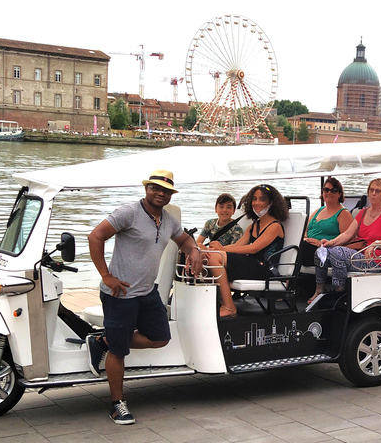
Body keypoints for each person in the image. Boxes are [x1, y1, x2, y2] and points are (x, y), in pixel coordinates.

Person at [86, 170, 204, 425]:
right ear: (147, 189)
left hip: (147, 292)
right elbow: (95, 236)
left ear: (171, 194)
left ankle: (104, 340)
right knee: (120, 351)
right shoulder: (128, 213)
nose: (160, 193)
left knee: (160, 338)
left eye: (166, 190)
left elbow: (183, 239)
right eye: (155, 188)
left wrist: (194, 249)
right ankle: (117, 404)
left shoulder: (169, 220)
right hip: (120, 294)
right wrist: (106, 276)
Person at [202, 184, 289, 318]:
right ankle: (214, 302)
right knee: (208, 256)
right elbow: (238, 245)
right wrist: (213, 249)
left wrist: (222, 249)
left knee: (215, 258)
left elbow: (253, 248)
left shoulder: (275, 226)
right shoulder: (254, 225)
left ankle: (229, 307)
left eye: (262, 199)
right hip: (252, 265)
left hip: (265, 269)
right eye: (254, 199)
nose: (257, 203)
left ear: (271, 203)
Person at [313, 178, 381, 294]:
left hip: (373, 261)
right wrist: (331, 242)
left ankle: (339, 291)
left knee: (337, 252)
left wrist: (376, 244)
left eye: (377, 191)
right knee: (320, 253)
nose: (373, 193)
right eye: (371, 190)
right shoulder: (363, 212)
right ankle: (319, 291)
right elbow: (347, 234)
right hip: (358, 254)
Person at [303, 177, 354, 303]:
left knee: (298, 250)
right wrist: (307, 239)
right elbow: (304, 231)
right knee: (295, 246)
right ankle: (287, 286)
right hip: (309, 247)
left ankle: (288, 287)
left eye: (333, 190)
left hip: (327, 251)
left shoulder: (343, 213)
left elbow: (347, 239)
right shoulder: (318, 211)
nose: (329, 193)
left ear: (339, 194)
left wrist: (319, 243)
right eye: (326, 189)